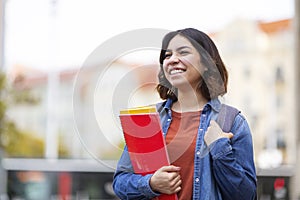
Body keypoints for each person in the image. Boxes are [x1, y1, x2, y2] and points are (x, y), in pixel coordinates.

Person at [113, 28, 257, 200]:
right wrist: (151, 184)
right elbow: (120, 183)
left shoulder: (232, 121)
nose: (172, 60)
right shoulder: (146, 119)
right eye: (167, 55)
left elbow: (247, 195)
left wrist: (219, 148)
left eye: (183, 52)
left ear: (206, 64)